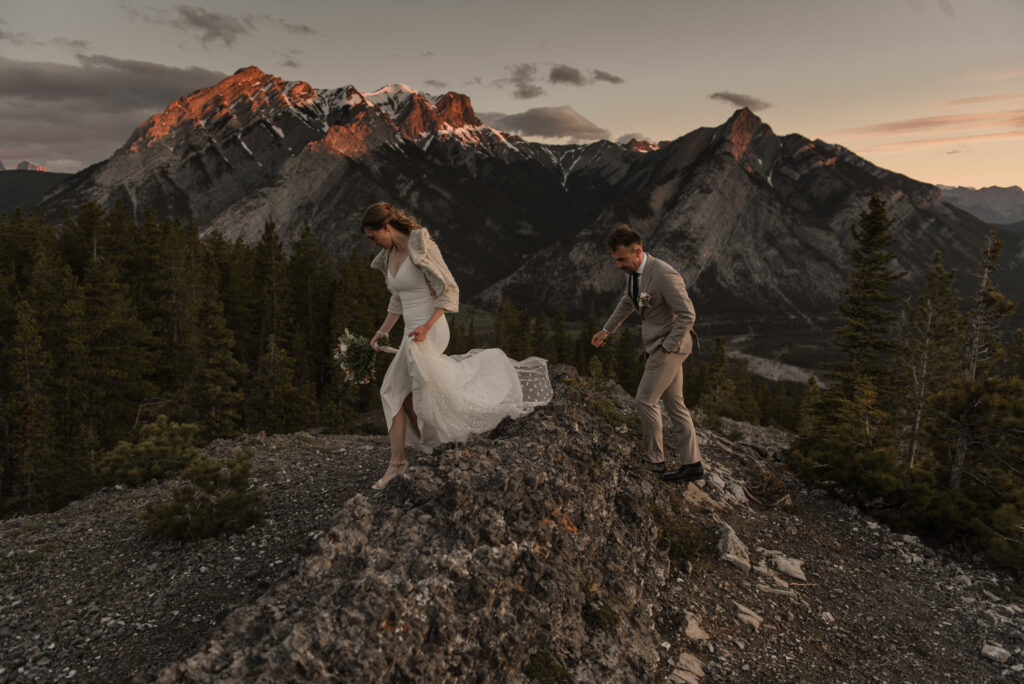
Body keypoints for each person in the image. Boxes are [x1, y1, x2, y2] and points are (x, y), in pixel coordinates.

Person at [362, 202, 552, 489]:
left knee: (391, 389)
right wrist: (382, 331)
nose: (372, 242)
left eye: (373, 236)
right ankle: (424, 448)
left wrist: (426, 326)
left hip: (430, 328)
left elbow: (450, 289)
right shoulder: (389, 254)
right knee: (407, 393)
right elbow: (398, 299)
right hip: (410, 332)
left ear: (386, 227)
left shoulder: (420, 244)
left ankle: (398, 464)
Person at [591, 225, 703, 483]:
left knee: (644, 400)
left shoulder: (664, 274)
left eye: (621, 259)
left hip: (669, 347)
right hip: (660, 346)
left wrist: (666, 348)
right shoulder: (633, 272)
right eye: (615, 260)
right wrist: (606, 331)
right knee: (676, 406)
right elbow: (628, 302)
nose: (618, 265)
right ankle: (693, 465)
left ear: (637, 252)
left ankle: (655, 461)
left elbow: (688, 314)